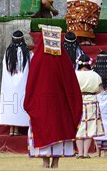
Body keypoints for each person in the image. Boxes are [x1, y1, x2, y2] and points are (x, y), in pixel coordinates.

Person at [24, 26, 82, 168]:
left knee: (45, 128)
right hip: (60, 104)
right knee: (59, 128)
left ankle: (45, 162)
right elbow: (71, 84)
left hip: (42, 102)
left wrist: (29, 101)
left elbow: (31, 82)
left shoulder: (37, 58)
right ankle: (55, 162)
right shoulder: (64, 59)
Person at [0, 30, 32, 136]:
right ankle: (16, 129)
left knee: (11, 105)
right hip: (23, 83)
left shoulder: (8, 52)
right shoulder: (27, 52)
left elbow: (5, 66)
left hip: (9, 84)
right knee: (19, 104)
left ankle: (11, 130)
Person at [75, 53, 105, 159]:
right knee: (90, 127)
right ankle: (86, 153)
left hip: (77, 101)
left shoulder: (74, 74)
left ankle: (79, 152)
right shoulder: (95, 75)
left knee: (78, 126)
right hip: (92, 101)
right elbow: (100, 90)